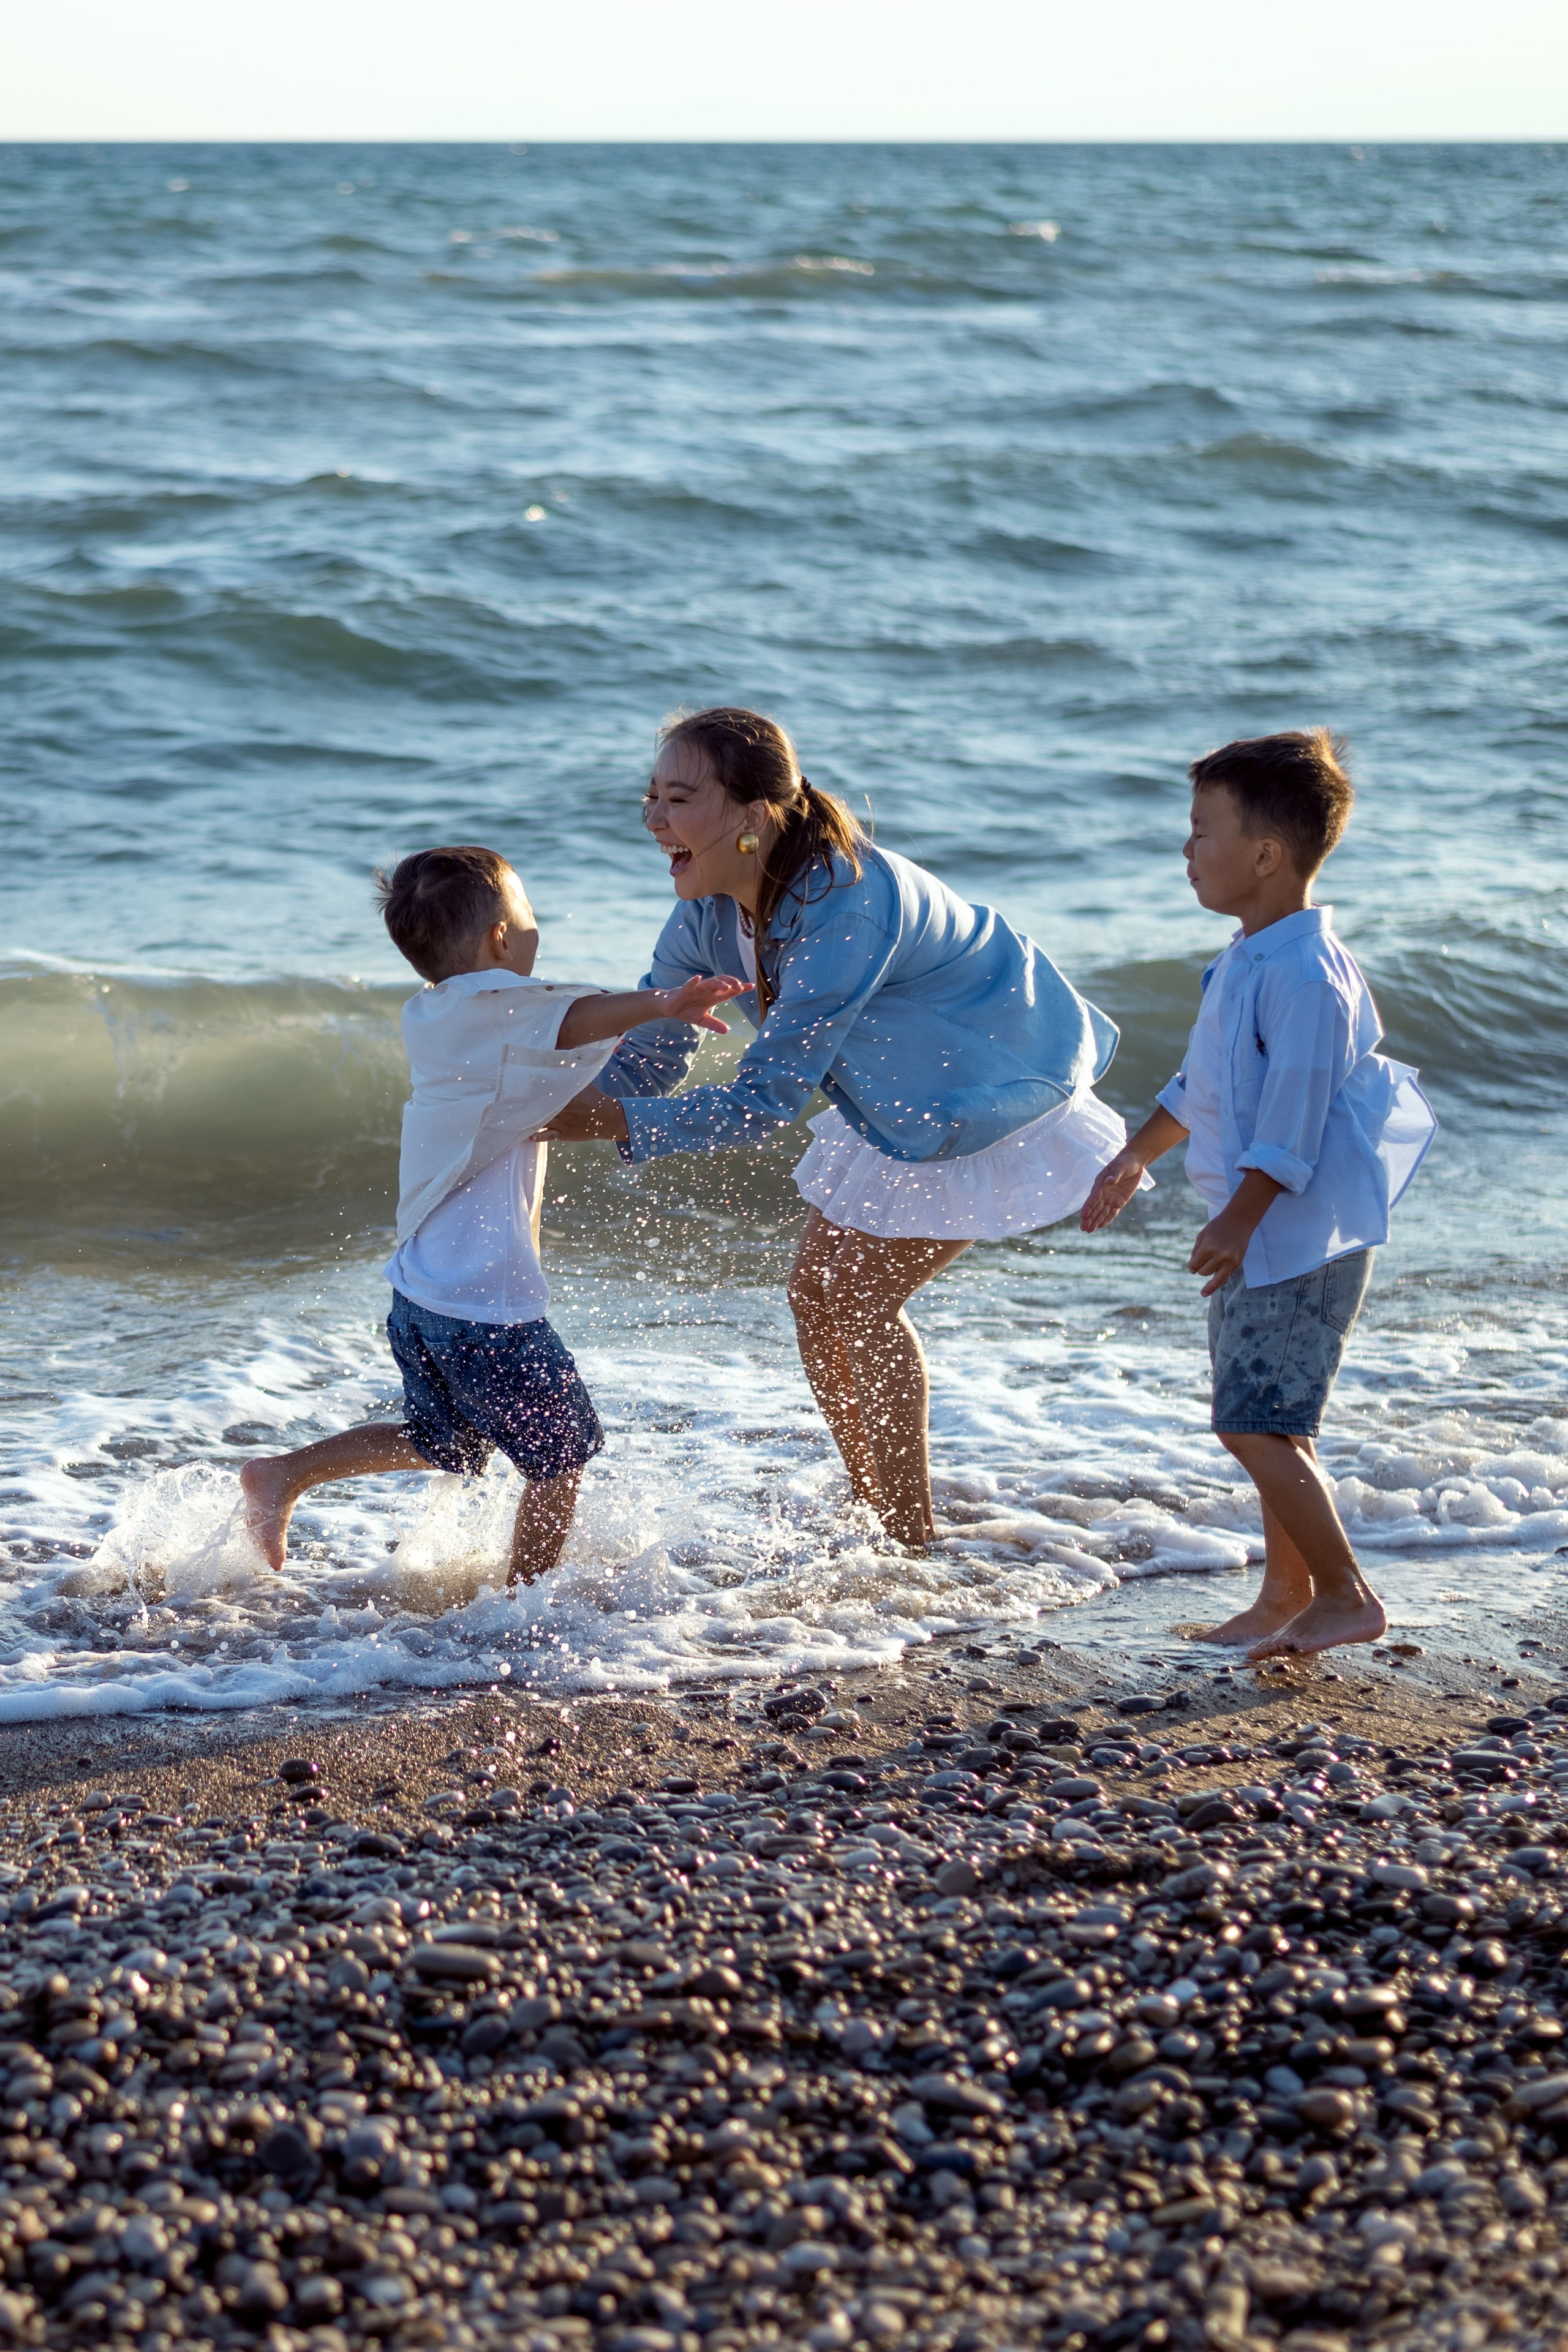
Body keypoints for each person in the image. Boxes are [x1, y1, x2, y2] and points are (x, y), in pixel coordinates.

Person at [540, 705, 1139, 1551]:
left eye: (678, 799)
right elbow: (651, 1060)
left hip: (988, 1089)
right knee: (816, 1299)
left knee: (859, 1300)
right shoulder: (707, 919)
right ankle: (878, 1512)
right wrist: (535, 1104)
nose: (653, 819)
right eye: (649, 798)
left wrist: (600, 1123)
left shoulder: (844, 905)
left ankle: (908, 1540)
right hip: (895, 1100)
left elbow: (765, 1102)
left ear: (752, 816)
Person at [240, 846, 743, 1582]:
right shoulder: (500, 1007)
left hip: (421, 1297)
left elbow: (556, 1034)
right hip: (485, 1309)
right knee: (562, 1455)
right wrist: (662, 1005)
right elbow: (573, 1017)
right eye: (529, 915)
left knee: (449, 1442)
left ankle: (285, 1474)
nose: (536, 932)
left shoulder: (436, 1014)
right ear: (502, 941)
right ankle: (521, 1607)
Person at [1080, 730, 1436, 1660]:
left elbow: (1293, 1121)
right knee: (1273, 1419)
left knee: (1253, 1421)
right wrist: (1133, 1156)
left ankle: (1349, 1593)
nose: (1186, 851)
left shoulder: (1308, 976)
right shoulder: (1246, 958)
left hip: (1299, 1236)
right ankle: (1286, 1591)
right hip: (1258, 1231)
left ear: (1267, 856)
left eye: (1203, 832)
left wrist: (1240, 1217)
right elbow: (1202, 1085)